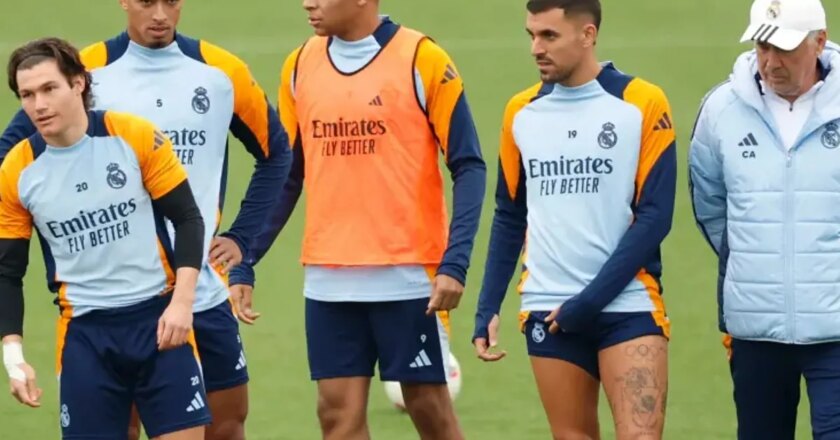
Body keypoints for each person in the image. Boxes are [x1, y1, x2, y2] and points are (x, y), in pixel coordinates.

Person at [0, 1, 292, 438]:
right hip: (103, 304)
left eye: (170, 1)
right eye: (146, 1)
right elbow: (18, 165)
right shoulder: (83, 69)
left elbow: (276, 154)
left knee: (227, 426)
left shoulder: (220, 72)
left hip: (199, 291)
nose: (159, 13)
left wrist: (242, 239)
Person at [227, 0, 487, 438]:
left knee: (429, 409)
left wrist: (454, 262)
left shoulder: (422, 58)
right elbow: (290, 173)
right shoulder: (299, 64)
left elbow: (469, 165)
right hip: (329, 278)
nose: (308, 3)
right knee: (336, 418)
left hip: (408, 275)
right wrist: (246, 257)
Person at [472, 0, 677, 439]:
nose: (535, 49)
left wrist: (590, 301)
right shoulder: (521, 113)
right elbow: (510, 215)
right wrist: (488, 306)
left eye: (549, 36)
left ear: (588, 35)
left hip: (627, 304)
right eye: (531, 35)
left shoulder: (641, 102)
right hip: (548, 308)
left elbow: (656, 217)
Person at [1, 37, 208, 440]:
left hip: (159, 323)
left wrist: (182, 304)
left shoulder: (131, 135)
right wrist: (14, 359)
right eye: (27, 95)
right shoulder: (17, 171)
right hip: (86, 336)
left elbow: (187, 219)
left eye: (49, 89)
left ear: (78, 83)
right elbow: (6, 272)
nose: (38, 105)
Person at [689, 0, 840, 438]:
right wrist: (758, 259)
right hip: (756, 330)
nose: (770, 62)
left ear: (819, 42)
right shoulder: (721, 110)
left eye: (785, 49)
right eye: (762, 46)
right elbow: (711, 206)